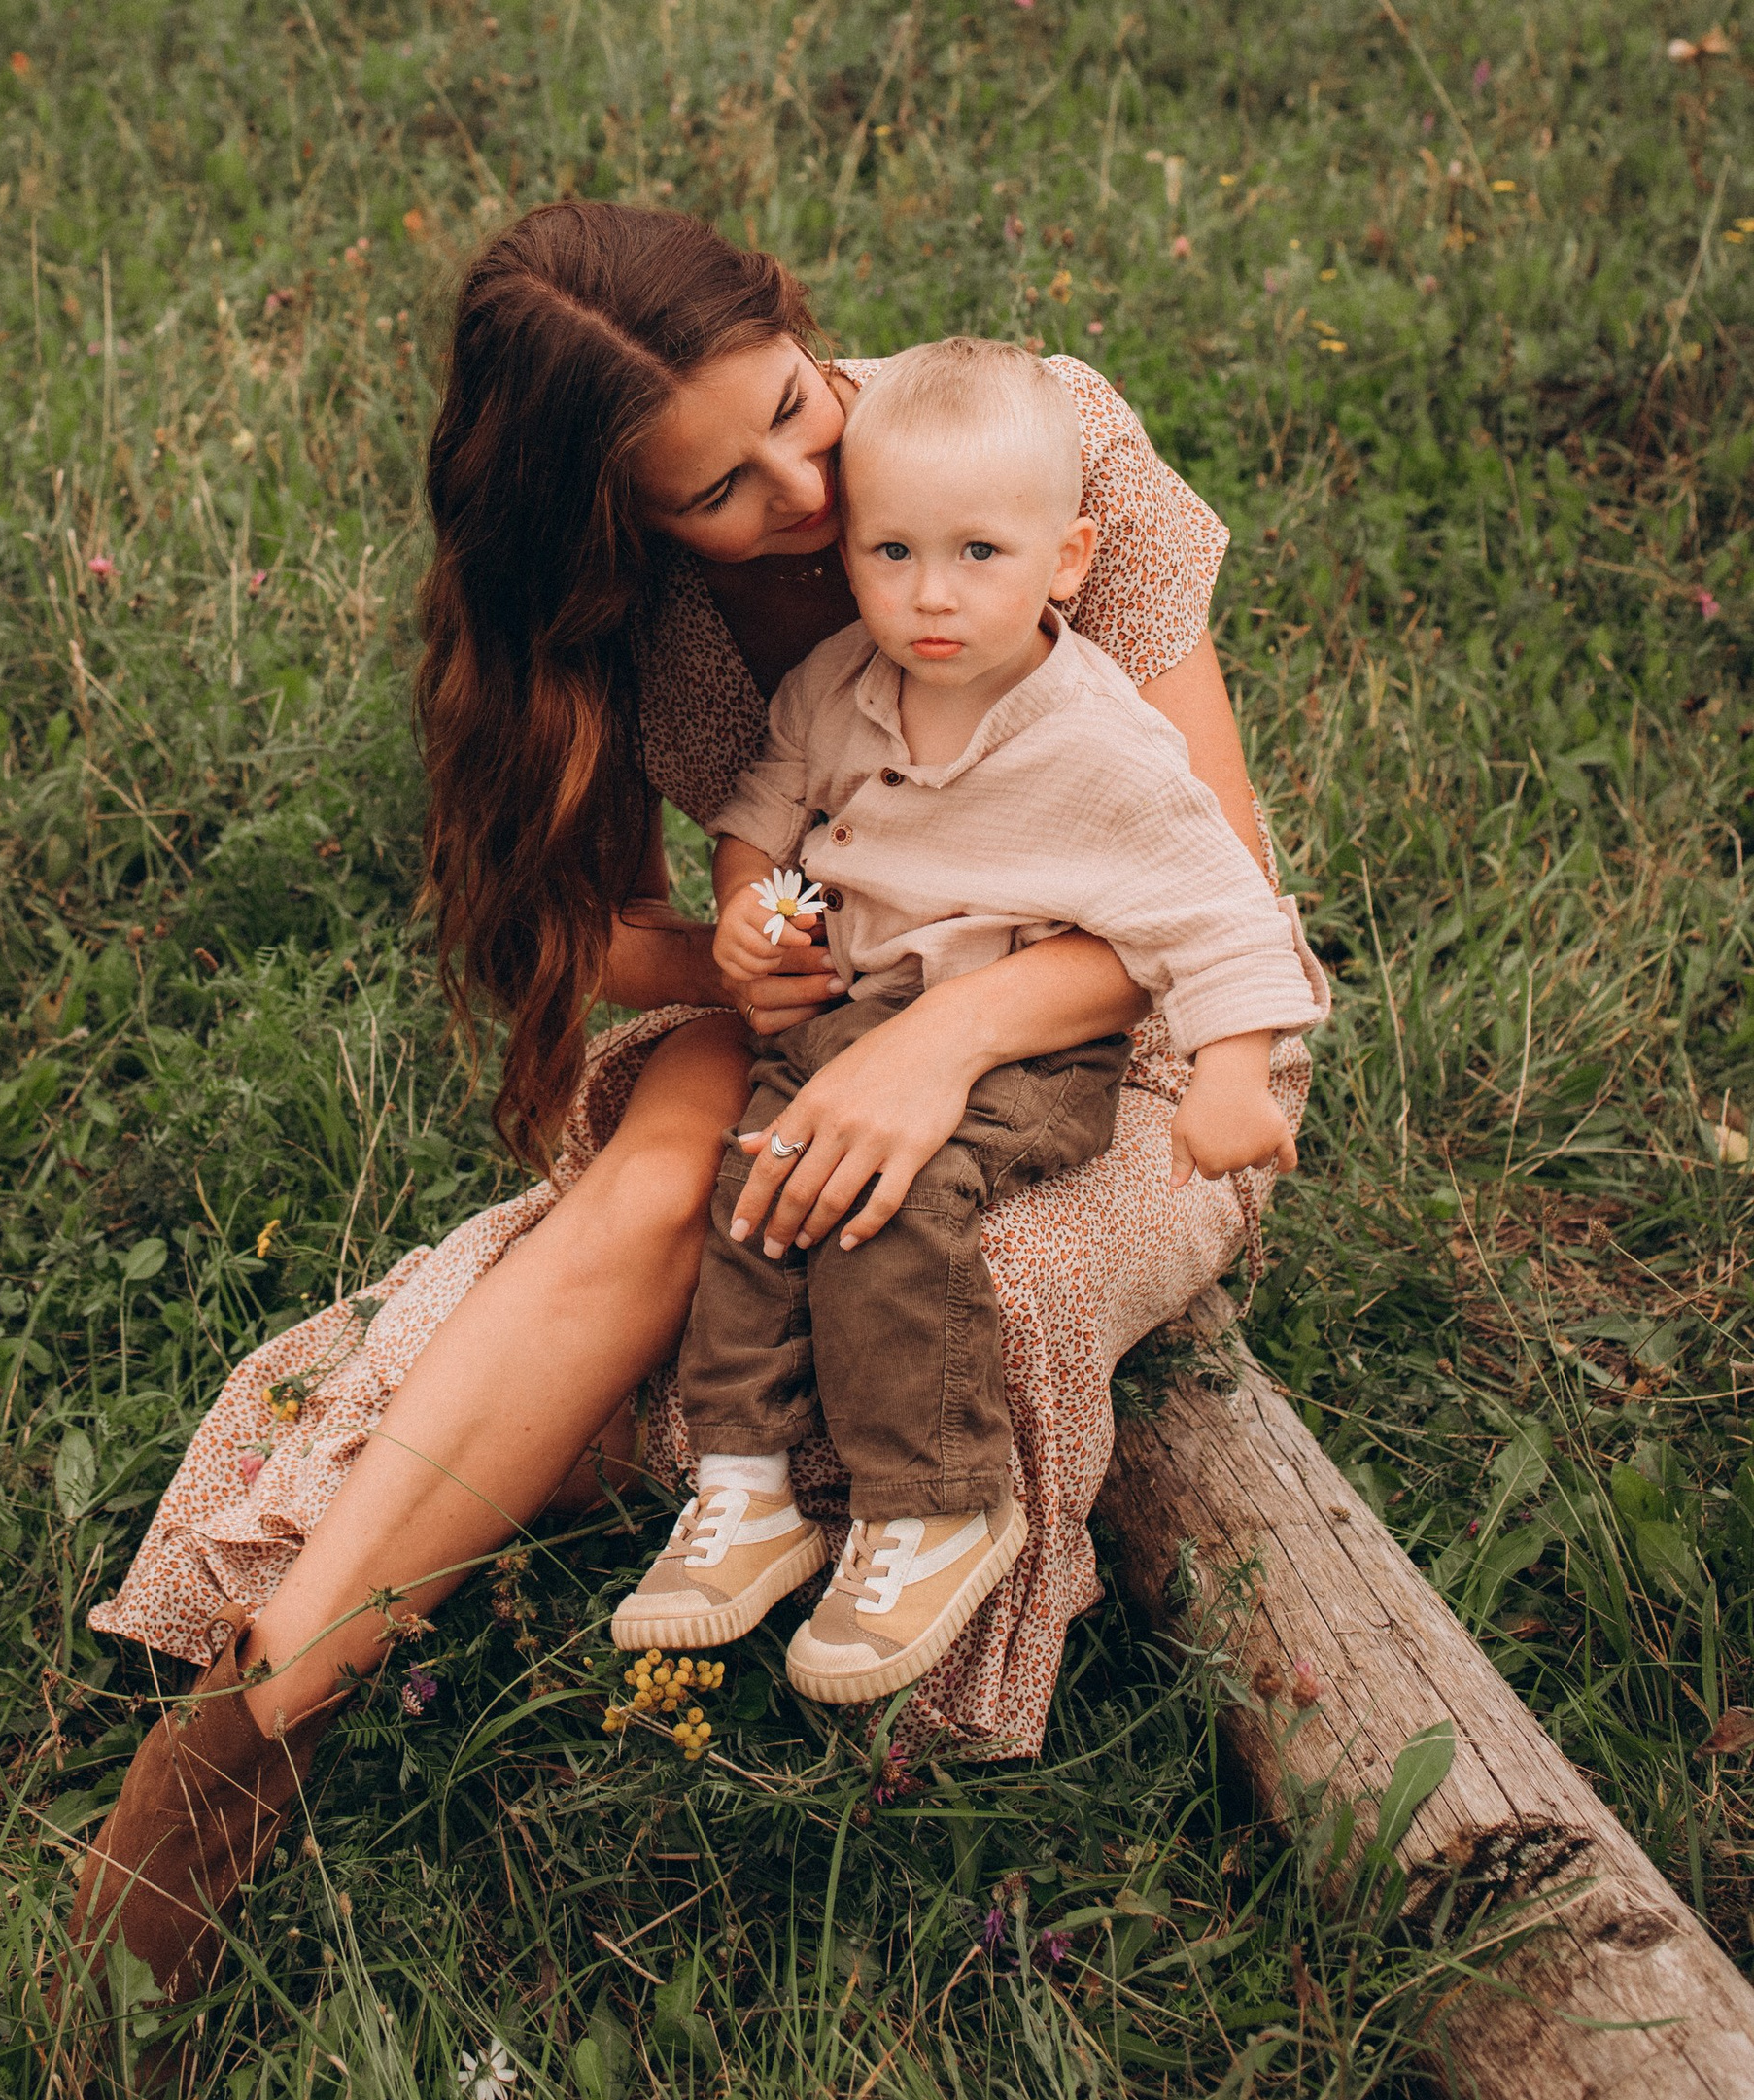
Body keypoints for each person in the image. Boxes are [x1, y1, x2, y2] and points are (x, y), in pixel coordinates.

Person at [67, 203, 1312, 2006]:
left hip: (1127, 1021)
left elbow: (1223, 895)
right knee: (658, 1188)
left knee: (957, 1269)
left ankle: (757, 1515)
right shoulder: (634, 628)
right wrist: (744, 954)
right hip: (830, 990)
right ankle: (256, 1713)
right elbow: (584, 941)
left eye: (801, 409)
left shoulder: (1029, 444)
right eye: (721, 490)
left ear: (808, 332)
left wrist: (941, 1040)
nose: (806, 493)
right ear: (615, 531)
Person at [611, 337, 1321, 1704]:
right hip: (855, 1014)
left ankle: (934, 1501)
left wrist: (1235, 1073)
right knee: (760, 1189)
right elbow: (764, 802)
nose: (930, 598)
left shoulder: (1096, 739)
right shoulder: (839, 686)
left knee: (892, 1199)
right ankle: (749, 1479)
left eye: (979, 556)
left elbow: (1226, 904)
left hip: (1035, 1048)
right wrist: (749, 903)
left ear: (1067, 559)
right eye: (892, 557)